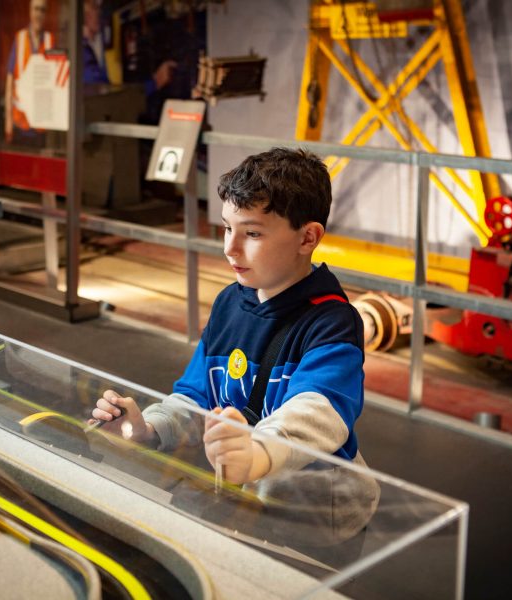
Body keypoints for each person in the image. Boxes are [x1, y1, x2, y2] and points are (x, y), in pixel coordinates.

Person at [91, 148, 370, 487]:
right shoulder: (228, 304)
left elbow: (317, 414)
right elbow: (196, 398)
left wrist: (258, 454)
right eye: (227, 229)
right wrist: (148, 430)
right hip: (243, 501)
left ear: (308, 237)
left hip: (314, 514)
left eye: (252, 233)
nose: (230, 248)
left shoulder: (331, 323)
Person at [4, 0, 53, 142]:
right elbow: (9, 82)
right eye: (36, 9)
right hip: (20, 122)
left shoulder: (50, 40)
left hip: (41, 123)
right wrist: (8, 122)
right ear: (30, 11)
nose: (38, 14)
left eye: (42, 10)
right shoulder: (20, 39)